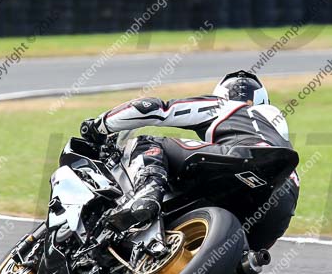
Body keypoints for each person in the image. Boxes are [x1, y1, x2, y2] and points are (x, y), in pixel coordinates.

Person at [80, 70, 299, 251]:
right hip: (282, 201)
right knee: (240, 267)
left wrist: (100, 125)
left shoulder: (226, 106)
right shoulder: (277, 130)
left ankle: (147, 192)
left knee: (147, 142)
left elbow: (154, 109)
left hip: (241, 159)